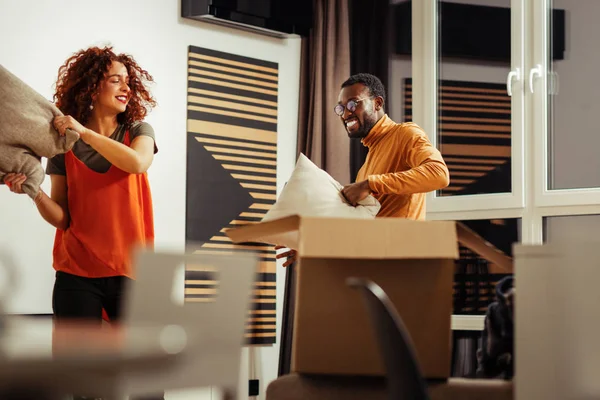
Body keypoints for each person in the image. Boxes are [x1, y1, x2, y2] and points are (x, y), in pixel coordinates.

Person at [3, 46, 161, 400]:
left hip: (132, 271)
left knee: (144, 383)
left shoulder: (137, 130)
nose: (126, 88)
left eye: (128, 81)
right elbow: (62, 217)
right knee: (82, 382)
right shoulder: (63, 148)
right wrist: (33, 191)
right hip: (77, 274)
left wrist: (83, 133)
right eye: (115, 80)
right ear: (92, 88)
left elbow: (137, 163)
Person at [276, 72, 450, 266]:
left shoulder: (406, 134)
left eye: (353, 104)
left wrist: (371, 184)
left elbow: (439, 174)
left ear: (377, 103)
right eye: (341, 108)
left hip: (401, 265)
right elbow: (359, 229)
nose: (346, 113)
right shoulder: (366, 164)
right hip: (371, 263)